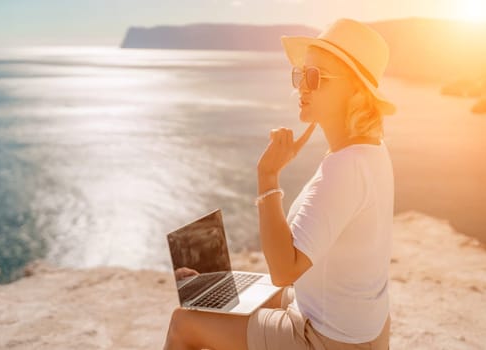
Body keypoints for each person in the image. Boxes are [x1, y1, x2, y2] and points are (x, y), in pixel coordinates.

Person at [163, 18, 396, 350]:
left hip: (325, 339)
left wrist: (268, 177)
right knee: (210, 291)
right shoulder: (370, 150)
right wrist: (218, 284)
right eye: (301, 74)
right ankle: (215, 287)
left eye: (315, 78)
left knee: (183, 323)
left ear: (354, 90)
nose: (301, 86)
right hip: (353, 327)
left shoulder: (345, 167)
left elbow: (284, 271)